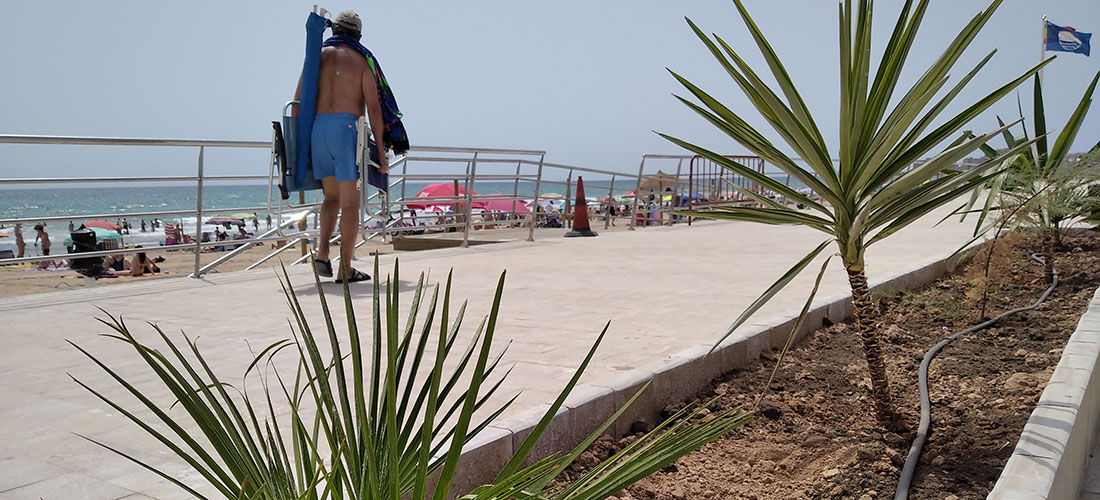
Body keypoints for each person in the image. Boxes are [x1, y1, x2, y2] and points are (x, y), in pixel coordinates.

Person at [293, 10, 387, 283]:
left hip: (318, 131)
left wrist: (299, 146)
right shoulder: (360, 61)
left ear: (334, 31)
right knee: (350, 205)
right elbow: (374, 108)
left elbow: (297, 101)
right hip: (347, 132)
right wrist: (380, 152)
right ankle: (345, 268)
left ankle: (322, 253)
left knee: (331, 198)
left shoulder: (316, 58)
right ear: (358, 34)